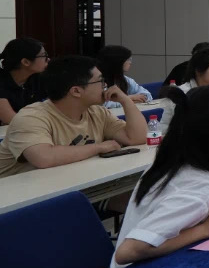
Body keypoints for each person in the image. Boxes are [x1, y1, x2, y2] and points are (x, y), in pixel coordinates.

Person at [110, 85, 209, 268]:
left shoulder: (190, 155)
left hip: (170, 261)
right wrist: (208, 228)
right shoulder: (200, 185)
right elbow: (127, 251)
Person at [0, 55, 148, 177]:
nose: (106, 86)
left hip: (64, 183)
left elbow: (137, 138)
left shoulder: (96, 112)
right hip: (14, 196)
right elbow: (44, 157)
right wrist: (99, 147)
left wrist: (126, 100)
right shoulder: (31, 117)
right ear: (76, 91)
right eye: (101, 81)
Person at [0, 37, 49, 124]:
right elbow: (11, 119)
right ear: (26, 62)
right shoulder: (2, 81)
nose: (48, 59)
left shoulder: (38, 78)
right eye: (44, 55)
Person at [98, 45, 151, 109]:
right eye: (128, 59)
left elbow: (147, 95)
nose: (130, 62)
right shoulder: (98, 82)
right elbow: (104, 105)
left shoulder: (126, 80)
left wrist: (128, 100)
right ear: (117, 61)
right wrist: (130, 98)